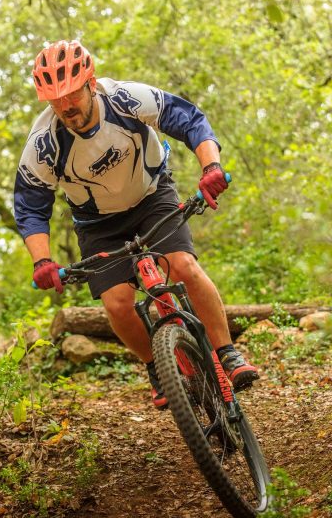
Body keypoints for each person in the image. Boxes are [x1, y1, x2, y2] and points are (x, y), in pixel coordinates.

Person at [14, 39, 259, 408]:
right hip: (97, 222)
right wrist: (42, 261)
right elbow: (31, 205)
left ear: (90, 84)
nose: (65, 107)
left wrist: (210, 167)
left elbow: (188, 120)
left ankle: (227, 353)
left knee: (184, 267)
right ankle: (157, 365)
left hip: (152, 196)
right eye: (55, 100)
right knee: (116, 303)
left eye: (72, 95)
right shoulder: (43, 144)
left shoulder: (125, 99)